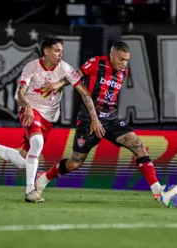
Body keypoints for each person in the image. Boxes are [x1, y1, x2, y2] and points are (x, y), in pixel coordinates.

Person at [0, 35, 105, 203]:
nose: (60, 54)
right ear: (46, 51)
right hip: (30, 111)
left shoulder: (65, 69)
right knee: (37, 142)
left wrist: (94, 117)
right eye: (57, 50)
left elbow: (84, 92)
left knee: (23, 160)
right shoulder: (32, 67)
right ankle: (30, 191)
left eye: (62, 51)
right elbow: (19, 93)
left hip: (48, 119)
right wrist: (28, 107)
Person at [35, 41, 165, 202]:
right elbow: (76, 76)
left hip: (110, 120)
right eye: (121, 59)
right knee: (74, 163)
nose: (124, 64)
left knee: (139, 147)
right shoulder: (96, 63)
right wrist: (59, 84)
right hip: (88, 120)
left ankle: (157, 189)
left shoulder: (123, 72)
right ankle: (45, 176)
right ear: (111, 56)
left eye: (126, 60)